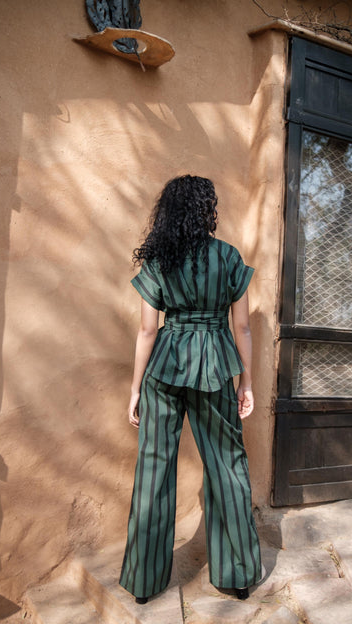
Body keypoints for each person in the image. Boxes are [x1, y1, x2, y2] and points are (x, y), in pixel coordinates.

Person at [119, 175, 262, 604]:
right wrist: (247, 381)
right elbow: (242, 327)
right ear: (207, 211)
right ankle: (237, 576)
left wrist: (135, 389)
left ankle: (145, 583)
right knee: (227, 464)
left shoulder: (160, 259)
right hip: (216, 366)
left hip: (164, 367)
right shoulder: (229, 257)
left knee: (153, 467)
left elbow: (148, 330)